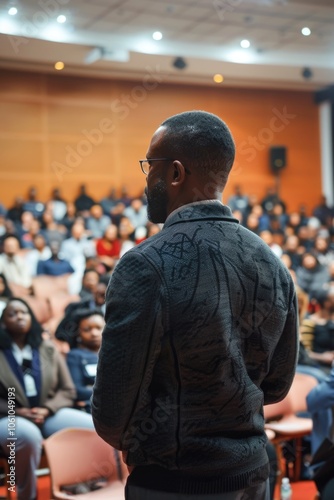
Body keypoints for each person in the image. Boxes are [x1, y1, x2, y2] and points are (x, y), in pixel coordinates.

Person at [92, 110, 299, 500]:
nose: (146, 177)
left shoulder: (145, 264)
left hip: (175, 482)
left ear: (174, 173)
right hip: (253, 474)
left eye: (149, 165)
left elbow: (113, 411)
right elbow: (277, 385)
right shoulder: (272, 262)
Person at [0, 297, 94, 500]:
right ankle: (27, 495)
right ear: (3, 322)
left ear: (31, 318)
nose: (19, 317)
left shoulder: (47, 348)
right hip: (9, 416)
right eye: (12, 313)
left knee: (95, 426)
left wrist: (48, 408)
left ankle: (84, 484)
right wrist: (15, 411)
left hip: (48, 412)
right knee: (27, 436)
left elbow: (67, 389)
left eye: (23, 312)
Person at [66, 308, 104, 412]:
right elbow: (78, 390)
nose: (94, 333)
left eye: (99, 328)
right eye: (87, 329)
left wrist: (91, 388)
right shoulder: (75, 356)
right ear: (78, 333)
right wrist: (110, 392)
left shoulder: (115, 353)